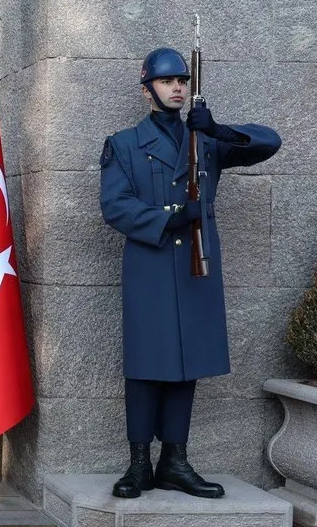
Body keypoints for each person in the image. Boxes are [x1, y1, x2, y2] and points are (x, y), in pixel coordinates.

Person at [99, 47, 280, 499]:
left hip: (196, 265)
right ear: (147, 90)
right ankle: (139, 462)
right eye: (166, 81)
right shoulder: (123, 144)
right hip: (152, 262)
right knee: (146, 363)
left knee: (186, 364)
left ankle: (174, 462)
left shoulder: (204, 139)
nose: (177, 87)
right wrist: (170, 219)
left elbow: (270, 141)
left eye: (182, 80)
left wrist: (217, 129)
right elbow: (115, 205)